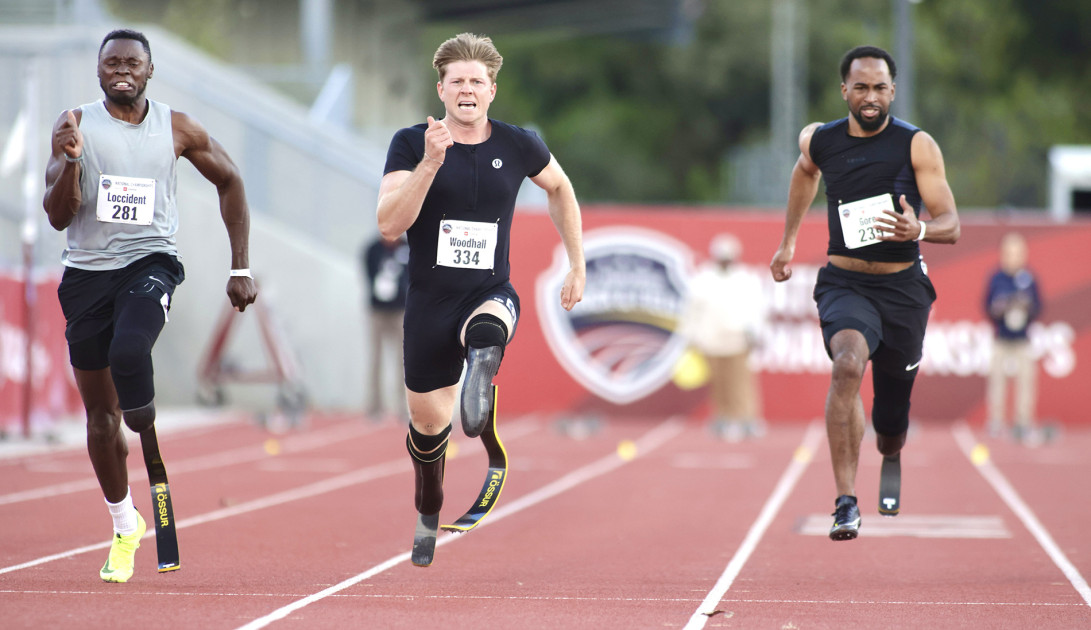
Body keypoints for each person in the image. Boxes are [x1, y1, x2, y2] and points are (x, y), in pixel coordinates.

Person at [42, 29, 257, 582]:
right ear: (97, 72)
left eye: (131, 63)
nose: (121, 70)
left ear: (149, 71)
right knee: (98, 418)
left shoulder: (178, 127)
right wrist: (70, 163)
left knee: (132, 349)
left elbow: (231, 181)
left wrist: (239, 267)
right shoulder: (76, 125)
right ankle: (123, 523)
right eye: (110, 62)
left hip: (150, 263)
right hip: (87, 276)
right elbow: (58, 216)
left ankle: (150, 439)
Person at [376, 32, 585, 565]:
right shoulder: (409, 143)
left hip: (489, 290)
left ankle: (482, 368)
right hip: (428, 302)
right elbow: (389, 226)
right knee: (427, 426)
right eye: (457, 81)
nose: (467, 89)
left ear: (492, 90)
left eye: (477, 81)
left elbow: (560, 188)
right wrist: (429, 163)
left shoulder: (518, 144)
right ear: (441, 90)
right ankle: (429, 505)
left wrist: (576, 262)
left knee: (489, 329)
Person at [770, 45, 960, 541]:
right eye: (861, 87)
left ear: (892, 91)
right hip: (845, 282)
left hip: (902, 290)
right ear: (844, 91)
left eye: (879, 87)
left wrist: (916, 229)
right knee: (847, 364)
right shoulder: (821, 140)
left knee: (890, 419)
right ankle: (845, 501)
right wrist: (788, 243)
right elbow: (804, 175)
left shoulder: (917, 145)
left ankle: (891, 449)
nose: (870, 97)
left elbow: (952, 223)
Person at [677, 233, 766, 441]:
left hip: (737, 339)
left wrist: (756, 332)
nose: (726, 260)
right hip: (711, 340)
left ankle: (747, 420)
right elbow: (692, 310)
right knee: (719, 384)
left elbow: (756, 309)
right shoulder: (702, 279)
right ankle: (723, 418)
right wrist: (689, 336)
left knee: (741, 382)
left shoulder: (746, 279)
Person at [984, 232, 1042, 443]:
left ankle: (1023, 422)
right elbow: (987, 306)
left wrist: (1025, 306)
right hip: (1001, 336)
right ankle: (996, 421)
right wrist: (1000, 308)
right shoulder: (996, 278)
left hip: (1022, 338)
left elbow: (1038, 306)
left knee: (1026, 381)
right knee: (997, 381)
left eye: (1018, 252)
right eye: (1009, 252)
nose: (1013, 257)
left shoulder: (1029, 278)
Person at [361, 233, 410, 422]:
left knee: (403, 361)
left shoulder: (408, 248)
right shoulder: (373, 249)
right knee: (376, 360)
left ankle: (403, 407)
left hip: (401, 311)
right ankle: (375, 407)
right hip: (378, 311)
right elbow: (369, 276)